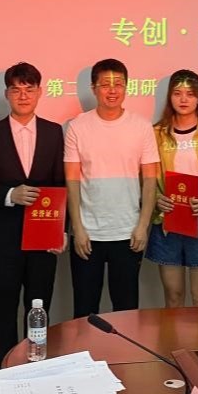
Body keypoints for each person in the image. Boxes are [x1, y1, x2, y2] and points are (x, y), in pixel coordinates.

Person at [0, 63, 66, 394]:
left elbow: (62, 186)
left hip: (44, 238)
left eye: (29, 88)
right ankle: (3, 385)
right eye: (16, 89)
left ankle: (36, 380)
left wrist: (62, 230)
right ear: (6, 94)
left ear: (39, 92)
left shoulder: (54, 133)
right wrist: (10, 195)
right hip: (5, 240)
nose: (23, 95)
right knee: (4, 310)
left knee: (39, 310)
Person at [64, 58, 159, 318]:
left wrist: (143, 225)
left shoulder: (141, 127)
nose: (112, 90)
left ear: (127, 87)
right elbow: (72, 181)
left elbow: (150, 180)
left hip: (128, 232)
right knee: (84, 311)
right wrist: (77, 228)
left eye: (119, 84)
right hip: (88, 234)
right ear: (93, 88)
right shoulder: (78, 126)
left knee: (126, 311)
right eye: (105, 84)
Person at [146, 70, 198, 307]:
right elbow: (145, 177)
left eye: (190, 94)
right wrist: (156, 197)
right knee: (173, 296)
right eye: (177, 93)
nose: (183, 99)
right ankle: (173, 336)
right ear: (169, 97)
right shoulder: (156, 134)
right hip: (167, 221)